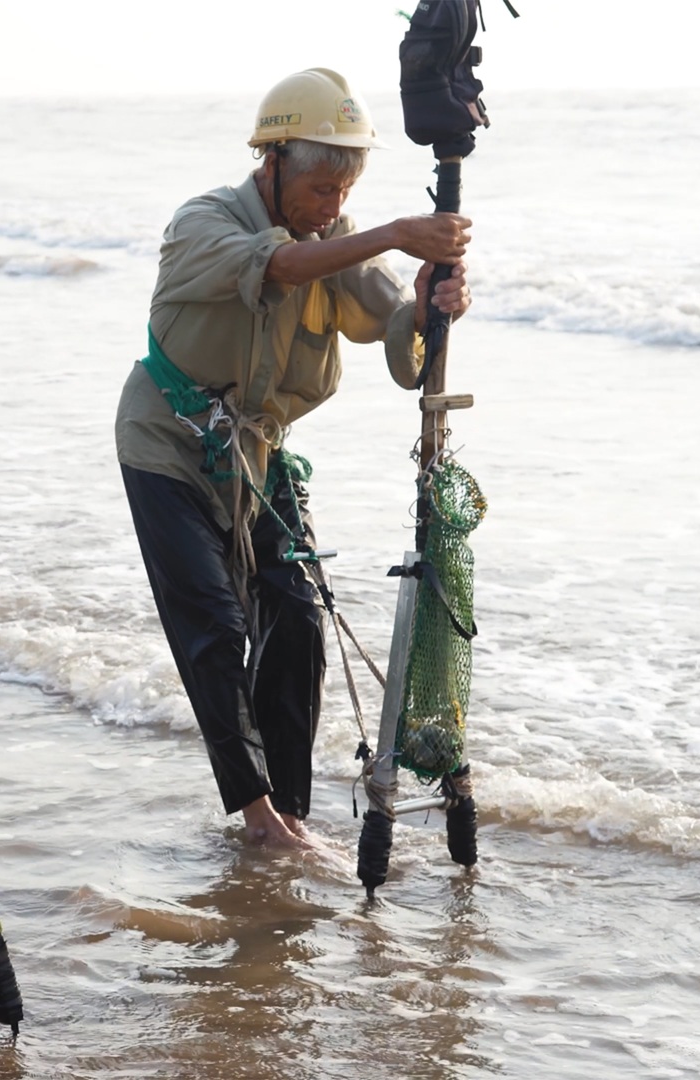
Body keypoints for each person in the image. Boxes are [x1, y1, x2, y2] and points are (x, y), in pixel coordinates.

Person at [114, 68, 474, 851]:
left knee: (301, 618)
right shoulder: (203, 222)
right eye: (319, 187)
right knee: (213, 626)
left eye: (346, 187)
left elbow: (401, 344)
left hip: (258, 456)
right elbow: (273, 266)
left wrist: (431, 305)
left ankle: (291, 810)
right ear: (272, 161)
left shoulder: (335, 245)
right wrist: (388, 234)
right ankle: (255, 815)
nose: (332, 205)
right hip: (168, 443)